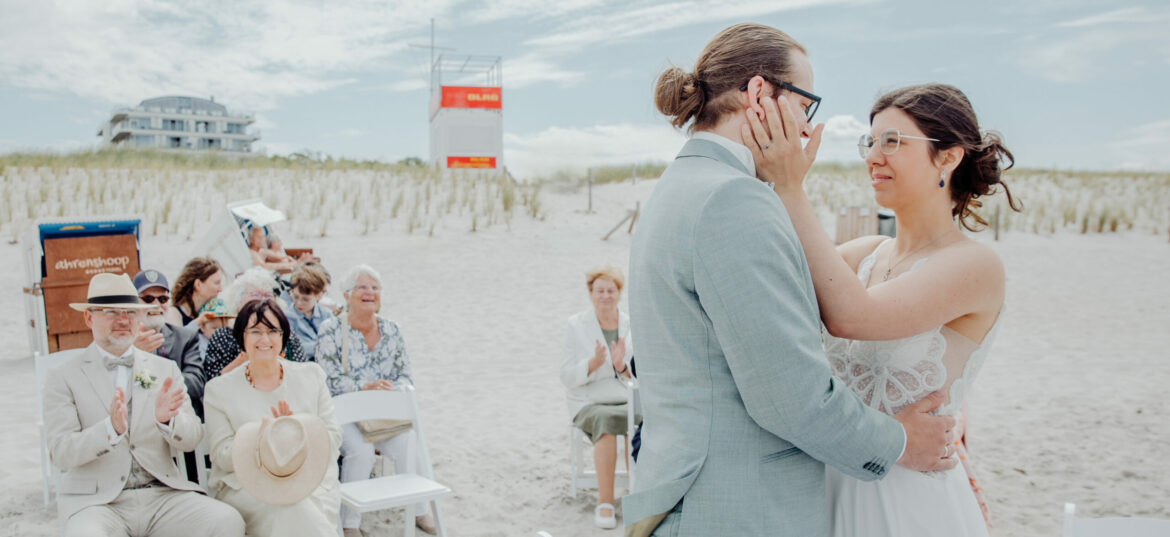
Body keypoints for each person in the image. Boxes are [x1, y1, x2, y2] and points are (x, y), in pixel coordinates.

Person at [623, 23, 958, 537]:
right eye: (806, 104)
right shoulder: (733, 200)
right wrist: (900, 442)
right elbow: (789, 398)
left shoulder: (678, 187)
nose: (806, 130)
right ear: (759, 94)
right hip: (737, 511)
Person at [742, 82, 1018, 536]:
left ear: (948, 157)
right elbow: (769, 295)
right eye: (869, 142)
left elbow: (855, 316)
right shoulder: (863, 254)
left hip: (906, 503)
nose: (873, 156)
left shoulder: (974, 265)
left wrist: (792, 188)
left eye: (892, 141)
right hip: (831, 483)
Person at [42, 273, 244, 537]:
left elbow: (193, 436)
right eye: (111, 312)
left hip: (163, 495)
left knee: (227, 521)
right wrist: (108, 430)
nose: (123, 320)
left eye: (130, 311)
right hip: (97, 503)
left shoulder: (165, 368)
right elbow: (61, 453)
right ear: (89, 318)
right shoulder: (63, 377)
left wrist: (167, 421)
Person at [314, 264, 437, 536]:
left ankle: (418, 510)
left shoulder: (392, 330)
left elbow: (406, 376)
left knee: (408, 443)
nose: (369, 293)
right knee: (361, 452)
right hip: (344, 413)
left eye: (374, 288)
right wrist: (364, 387)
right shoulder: (330, 329)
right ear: (346, 295)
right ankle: (350, 524)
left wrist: (392, 390)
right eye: (362, 287)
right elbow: (327, 380)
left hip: (382, 416)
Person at [203, 298, 343, 536]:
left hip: (309, 479)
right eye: (255, 331)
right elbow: (220, 456)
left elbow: (333, 438)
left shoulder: (311, 376)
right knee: (288, 509)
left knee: (300, 505)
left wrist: (297, 435)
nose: (264, 339)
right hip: (248, 485)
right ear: (242, 338)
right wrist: (264, 439)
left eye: (272, 331)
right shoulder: (219, 389)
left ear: (283, 337)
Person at [559, 265, 635, 529]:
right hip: (589, 400)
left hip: (624, 396)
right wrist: (593, 363)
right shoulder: (575, 325)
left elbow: (637, 376)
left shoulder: (629, 324)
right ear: (591, 293)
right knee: (606, 421)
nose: (605, 295)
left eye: (610, 290)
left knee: (641, 419)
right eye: (599, 290)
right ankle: (605, 501)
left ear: (619, 293)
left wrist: (620, 366)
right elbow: (566, 376)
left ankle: (637, 493)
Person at [203, 267, 309, 380]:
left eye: (268, 295)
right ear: (238, 300)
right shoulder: (223, 336)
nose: (262, 300)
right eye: (255, 295)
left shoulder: (287, 335)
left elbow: (302, 375)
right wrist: (248, 355)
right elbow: (214, 381)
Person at [132, 269, 207, 418]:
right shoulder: (125, 342)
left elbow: (196, 383)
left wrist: (157, 385)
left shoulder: (185, 337)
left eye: (162, 299)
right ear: (133, 303)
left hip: (180, 420)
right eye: (148, 299)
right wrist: (135, 356)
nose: (156, 304)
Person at [283, 263, 334, 359]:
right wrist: (322, 346)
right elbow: (295, 349)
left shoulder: (326, 314)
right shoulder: (286, 317)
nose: (298, 303)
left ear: (319, 296)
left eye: (305, 299)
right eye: (296, 296)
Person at [166, 257, 225, 328]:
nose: (220, 289)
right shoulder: (173, 314)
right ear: (198, 284)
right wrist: (198, 322)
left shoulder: (211, 315)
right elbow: (179, 338)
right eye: (216, 283)